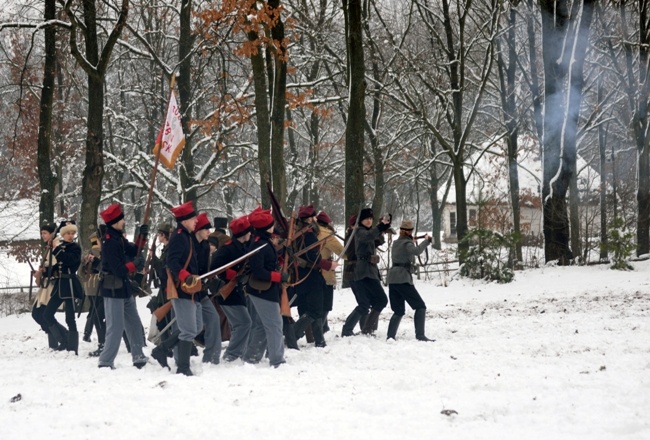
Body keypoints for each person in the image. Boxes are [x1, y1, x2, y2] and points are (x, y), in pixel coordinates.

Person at [97, 203, 149, 369]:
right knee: (116, 327)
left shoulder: (118, 238)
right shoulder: (110, 242)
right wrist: (134, 265)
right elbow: (118, 269)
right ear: (115, 222)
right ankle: (105, 361)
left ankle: (138, 355)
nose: (124, 221)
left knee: (133, 322)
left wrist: (142, 237)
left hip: (123, 288)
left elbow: (134, 250)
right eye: (121, 219)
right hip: (113, 288)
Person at [243, 208, 286, 367]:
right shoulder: (259, 244)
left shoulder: (263, 241)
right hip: (262, 290)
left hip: (266, 289)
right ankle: (277, 360)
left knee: (262, 325)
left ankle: (252, 357)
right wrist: (278, 276)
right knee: (275, 325)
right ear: (266, 227)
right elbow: (258, 270)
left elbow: (269, 262)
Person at [291, 204, 337, 348]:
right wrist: (329, 265)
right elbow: (314, 258)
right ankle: (292, 335)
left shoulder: (296, 233)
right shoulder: (308, 235)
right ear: (309, 219)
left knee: (308, 309)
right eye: (313, 217)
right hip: (310, 277)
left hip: (301, 276)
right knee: (315, 310)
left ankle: (319, 340)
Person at [165, 201, 202, 376]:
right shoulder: (179, 236)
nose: (196, 221)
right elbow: (172, 261)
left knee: (193, 327)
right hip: (182, 288)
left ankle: (162, 349)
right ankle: (183, 367)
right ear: (185, 220)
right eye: (193, 218)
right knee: (188, 330)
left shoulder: (186, 235)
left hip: (190, 287)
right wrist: (184, 276)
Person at [341, 208, 391, 336]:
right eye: (366, 219)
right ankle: (360, 329)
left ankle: (367, 329)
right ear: (361, 221)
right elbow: (369, 236)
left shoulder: (366, 232)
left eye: (370, 219)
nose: (369, 221)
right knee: (373, 302)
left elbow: (376, 240)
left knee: (372, 302)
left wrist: (383, 228)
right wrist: (380, 227)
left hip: (370, 271)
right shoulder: (359, 231)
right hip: (363, 272)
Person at [211, 215, 253, 362]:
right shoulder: (227, 249)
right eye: (248, 231)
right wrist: (234, 275)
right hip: (228, 291)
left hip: (237, 290)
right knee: (245, 323)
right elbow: (215, 267)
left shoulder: (244, 246)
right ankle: (232, 354)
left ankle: (237, 353)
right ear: (243, 234)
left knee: (239, 325)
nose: (250, 234)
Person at [386, 220, 434, 341]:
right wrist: (427, 241)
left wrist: (411, 242)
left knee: (398, 310)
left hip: (392, 279)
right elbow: (416, 251)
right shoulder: (407, 244)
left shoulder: (397, 243)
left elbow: (405, 250)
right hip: (403, 279)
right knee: (420, 306)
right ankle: (420, 335)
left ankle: (390, 336)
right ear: (409, 232)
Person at [42, 221, 84, 355]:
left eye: (72, 233)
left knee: (70, 318)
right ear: (63, 234)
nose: (71, 236)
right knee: (47, 314)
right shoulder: (60, 247)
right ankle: (63, 340)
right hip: (60, 284)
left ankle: (72, 348)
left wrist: (56, 248)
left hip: (70, 284)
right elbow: (58, 266)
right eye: (68, 233)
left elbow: (69, 261)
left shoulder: (75, 248)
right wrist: (44, 272)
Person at [31, 223, 67, 350]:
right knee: (38, 314)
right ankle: (59, 339)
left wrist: (44, 271)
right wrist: (39, 273)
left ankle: (63, 338)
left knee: (44, 315)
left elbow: (57, 266)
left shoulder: (57, 246)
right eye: (42, 233)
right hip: (45, 286)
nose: (43, 236)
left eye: (45, 233)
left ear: (52, 234)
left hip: (52, 285)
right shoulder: (48, 247)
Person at [193, 212, 222, 365]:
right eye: (206, 229)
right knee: (191, 328)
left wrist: (211, 281)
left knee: (213, 319)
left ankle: (212, 357)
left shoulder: (204, 246)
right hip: (187, 292)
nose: (209, 232)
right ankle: (169, 349)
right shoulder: (188, 244)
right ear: (198, 230)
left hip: (200, 291)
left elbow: (204, 271)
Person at [315, 210, 344, 334]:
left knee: (319, 302)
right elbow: (342, 252)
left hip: (312, 271)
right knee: (325, 304)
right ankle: (319, 330)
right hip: (325, 271)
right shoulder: (327, 235)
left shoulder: (311, 232)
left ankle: (324, 327)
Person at [82, 230, 106, 357]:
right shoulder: (93, 253)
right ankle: (89, 334)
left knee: (94, 311)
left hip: (93, 286)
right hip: (95, 285)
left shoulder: (90, 253)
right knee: (96, 312)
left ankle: (87, 333)